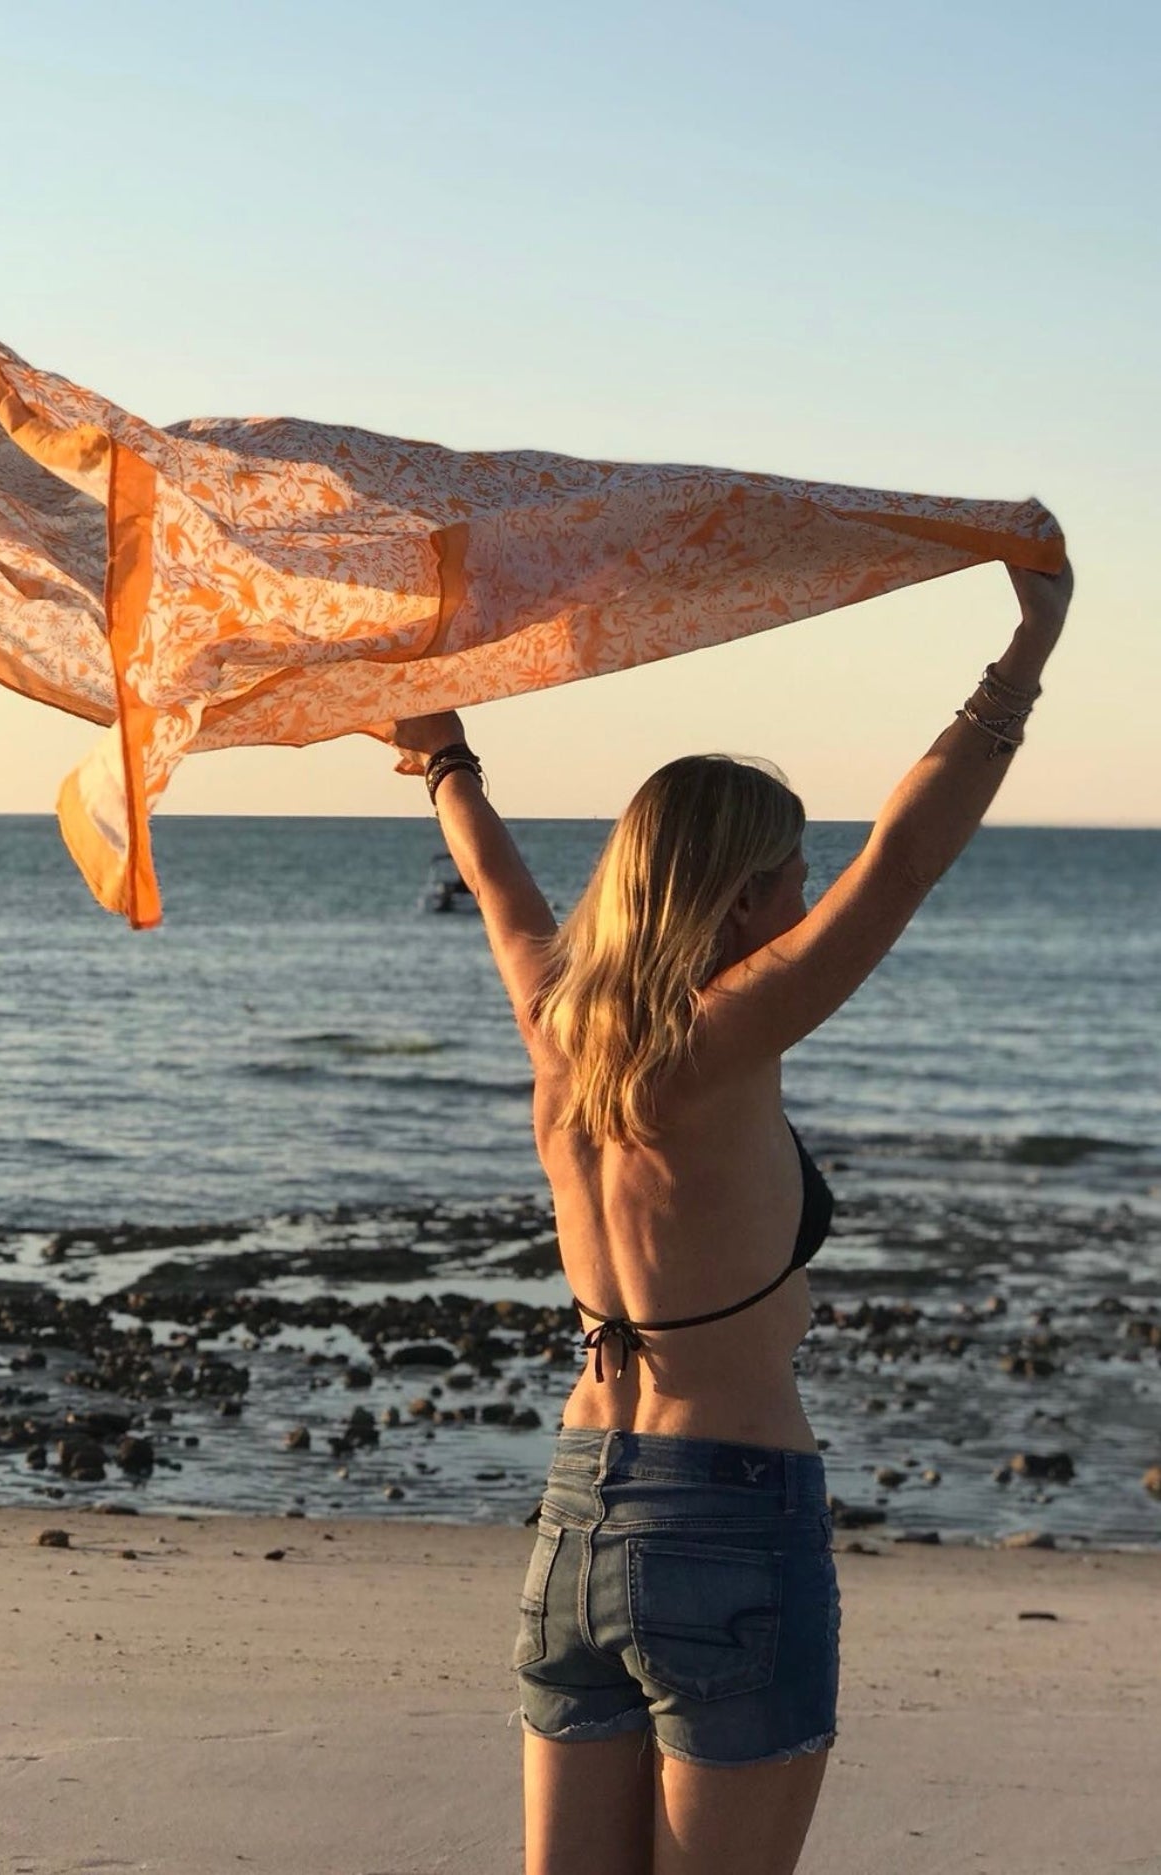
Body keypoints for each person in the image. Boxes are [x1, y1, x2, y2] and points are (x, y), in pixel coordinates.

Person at [390, 556, 1074, 1875]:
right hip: (729, 1515)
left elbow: (498, 885)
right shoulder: (724, 1035)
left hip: (577, 1507)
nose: (810, 902)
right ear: (742, 895)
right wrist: (1027, 650)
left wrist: (447, 761)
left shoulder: (556, 1026)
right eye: (796, 879)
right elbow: (907, 858)